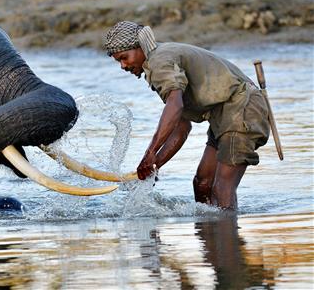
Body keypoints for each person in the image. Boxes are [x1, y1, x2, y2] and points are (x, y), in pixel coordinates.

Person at [103, 21, 270, 210]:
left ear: (140, 47)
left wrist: (150, 153)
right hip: (223, 115)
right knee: (202, 184)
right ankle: (211, 236)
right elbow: (181, 127)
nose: (123, 66)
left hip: (242, 110)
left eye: (124, 58)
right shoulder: (158, 63)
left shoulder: (159, 61)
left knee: (222, 188)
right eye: (118, 61)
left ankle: (227, 234)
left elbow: (175, 106)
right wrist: (154, 165)